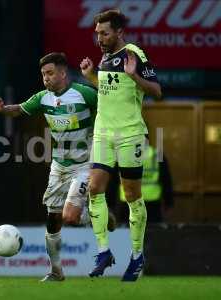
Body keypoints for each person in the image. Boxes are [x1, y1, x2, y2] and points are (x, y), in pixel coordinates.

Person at [0, 52, 115, 282]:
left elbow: (110, 106)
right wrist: (2, 109)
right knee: (53, 220)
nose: (45, 78)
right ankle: (56, 271)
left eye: (49, 73)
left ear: (62, 73)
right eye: (43, 74)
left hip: (85, 164)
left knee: (69, 217)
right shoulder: (43, 98)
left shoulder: (84, 93)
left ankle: (96, 216)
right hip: (59, 165)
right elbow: (20, 108)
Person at [80, 9, 162, 281]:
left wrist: (134, 76)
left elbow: (157, 92)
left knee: (131, 195)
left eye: (104, 33)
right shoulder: (104, 58)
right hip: (103, 133)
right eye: (97, 34)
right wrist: (92, 76)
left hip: (130, 135)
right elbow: (110, 92)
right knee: (94, 188)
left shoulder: (134, 54)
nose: (99, 38)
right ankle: (104, 251)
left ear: (118, 32)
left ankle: (136, 256)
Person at [117, 144, 174, 223]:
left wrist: (110, 203)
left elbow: (113, 182)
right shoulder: (156, 155)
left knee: (128, 232)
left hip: (128, 203)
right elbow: (166, 180)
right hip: (151, 203)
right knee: (152, 232)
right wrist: (169, 203)